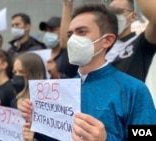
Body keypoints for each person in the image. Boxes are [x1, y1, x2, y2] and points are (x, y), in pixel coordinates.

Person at [19, 3, 156, 141]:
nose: (73, 39)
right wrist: (37, 125)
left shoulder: (134, 90)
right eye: (70, 34)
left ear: (107, 40)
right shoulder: (61, 90)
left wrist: (106, 139)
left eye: (82, 32)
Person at [105, 0, 156, 106]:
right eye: (109, 13)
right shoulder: (101, 48)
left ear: (133, 16)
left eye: (118, 11)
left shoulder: (140, 42)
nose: (113, 17)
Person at [0, 52, 48, 141]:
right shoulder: (15, 101)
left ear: (33, 73)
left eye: (21, 72)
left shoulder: (47, 108)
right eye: (15, 72)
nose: (16, 76)